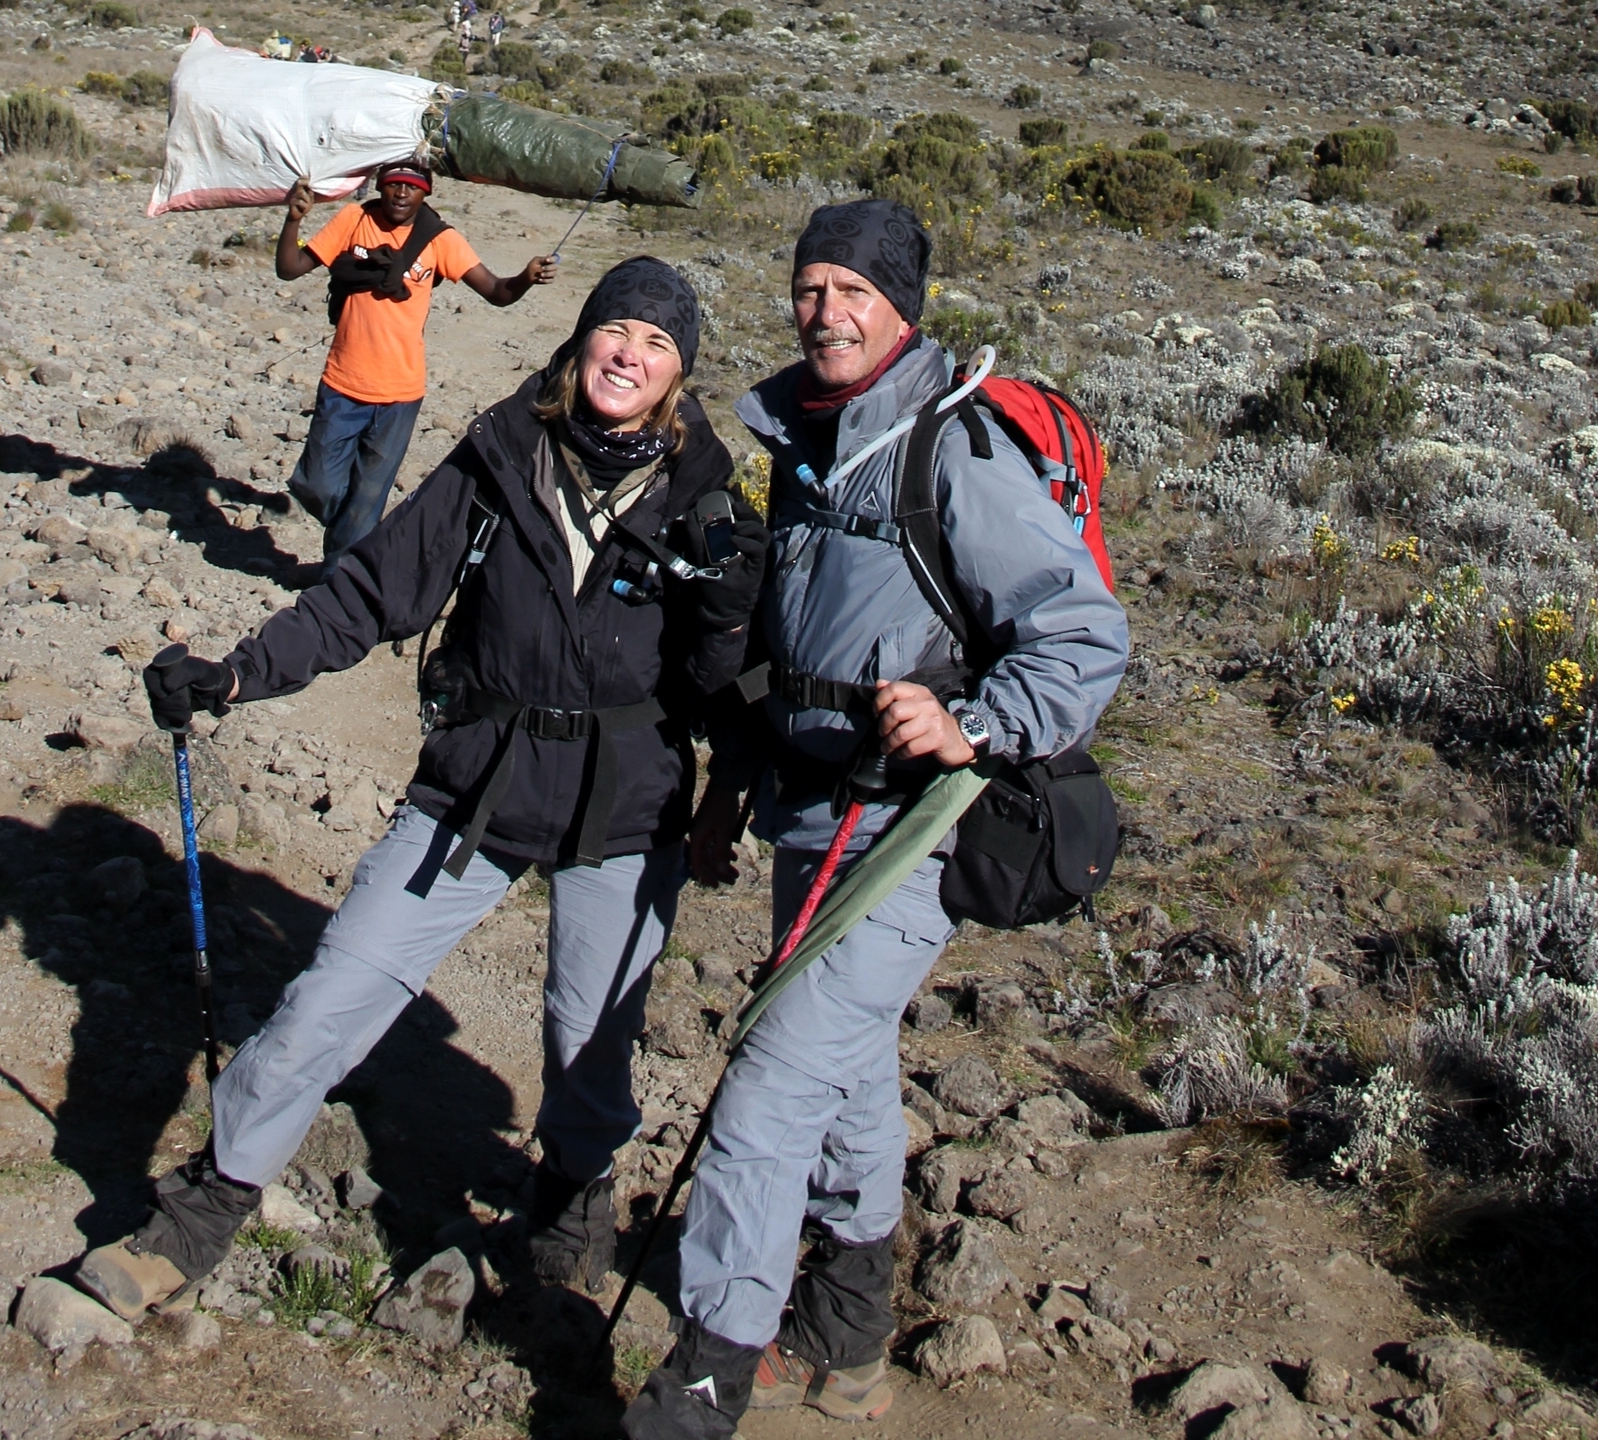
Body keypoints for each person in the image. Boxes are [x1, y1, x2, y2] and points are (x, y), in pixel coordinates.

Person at [72, 258, 771, 1322]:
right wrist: (240, 674)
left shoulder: (706, 500)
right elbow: (372, 590)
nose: (630, 355)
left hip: (625, 812)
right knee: (327, 999)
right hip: (474, 788)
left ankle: (573, 1190)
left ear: (680, 374)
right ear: (581, 338)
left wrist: (728, 613)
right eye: (616, 330)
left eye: (658, 343)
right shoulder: (501, 458)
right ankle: (209, 1202)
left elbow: (725, 688)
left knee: (591, 1040)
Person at [622, 201, 1129, 1437]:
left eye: (852, 290)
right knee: (840, 1068)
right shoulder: (809, 438)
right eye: (810, 287)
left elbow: (1079, 634)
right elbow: (784, 644)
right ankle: (845, 1337)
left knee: (768, 1085)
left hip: (908, 826)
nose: (826, 312)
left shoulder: (952, 447)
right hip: (808, 806)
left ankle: (704, 1380)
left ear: (902, 307)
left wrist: (976, 724)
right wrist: (730, 788)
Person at [274, 163, 558, 577]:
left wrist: (525, 278)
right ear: (380, 187)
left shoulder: (440, 239)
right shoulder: (354, 219)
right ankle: (349, 537)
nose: (402, 193)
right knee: (317, 485)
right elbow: (290, 268)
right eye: (394, 185)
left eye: (412, 186)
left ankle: (336, 584)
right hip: (342, 384)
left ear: (426, 193)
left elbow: (496, 292)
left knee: (367, 499)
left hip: (400, 396)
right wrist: (293, 220)